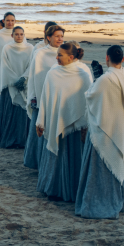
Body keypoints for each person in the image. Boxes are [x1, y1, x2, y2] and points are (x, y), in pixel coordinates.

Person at [75, 45, 124, 219]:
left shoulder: (106, 79)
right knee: (117, 158)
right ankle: (119, 200)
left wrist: (97, 78)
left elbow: (90, 96)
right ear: (123, 59)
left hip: (104, 126)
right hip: (121, 124)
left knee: (101, 164)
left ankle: (99, 202)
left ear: (107, 58)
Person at [36, 42, 93, 202]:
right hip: (55, 121)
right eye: (57, 54)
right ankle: (53, 189)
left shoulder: (83, 74)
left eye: (60, 55)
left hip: (75, 127)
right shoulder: (53, 73)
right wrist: (41, 121)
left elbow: (88, 102)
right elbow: (45, 98)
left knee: (73, 157)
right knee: (55, 155)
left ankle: (73, 191)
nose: (57, 57)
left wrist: (86, 124)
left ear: (71, 57)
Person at [23, 24, 64, 169]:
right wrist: (34, 95)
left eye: (62, 36)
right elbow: (34, 76)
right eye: (57, 36)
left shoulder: (65, 53)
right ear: (48, 37)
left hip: (58, 97)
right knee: (40, 129)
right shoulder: (40, 53)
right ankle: (36, 161)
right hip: (41, 97)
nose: (60, 39)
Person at [0, 27, 34, 149]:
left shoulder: (30, 48)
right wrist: (15, 81)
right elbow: (5, 67)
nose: (19, 36)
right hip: (10, 85)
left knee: (23, 113)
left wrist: (24, 78)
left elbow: (32, 65)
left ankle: (22, 139)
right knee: (10, 113)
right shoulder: (7, 48)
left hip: (24, 84)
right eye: (16, 34)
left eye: (21, 34)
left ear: (24, 35)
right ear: (12, 36)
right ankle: (10, 138)